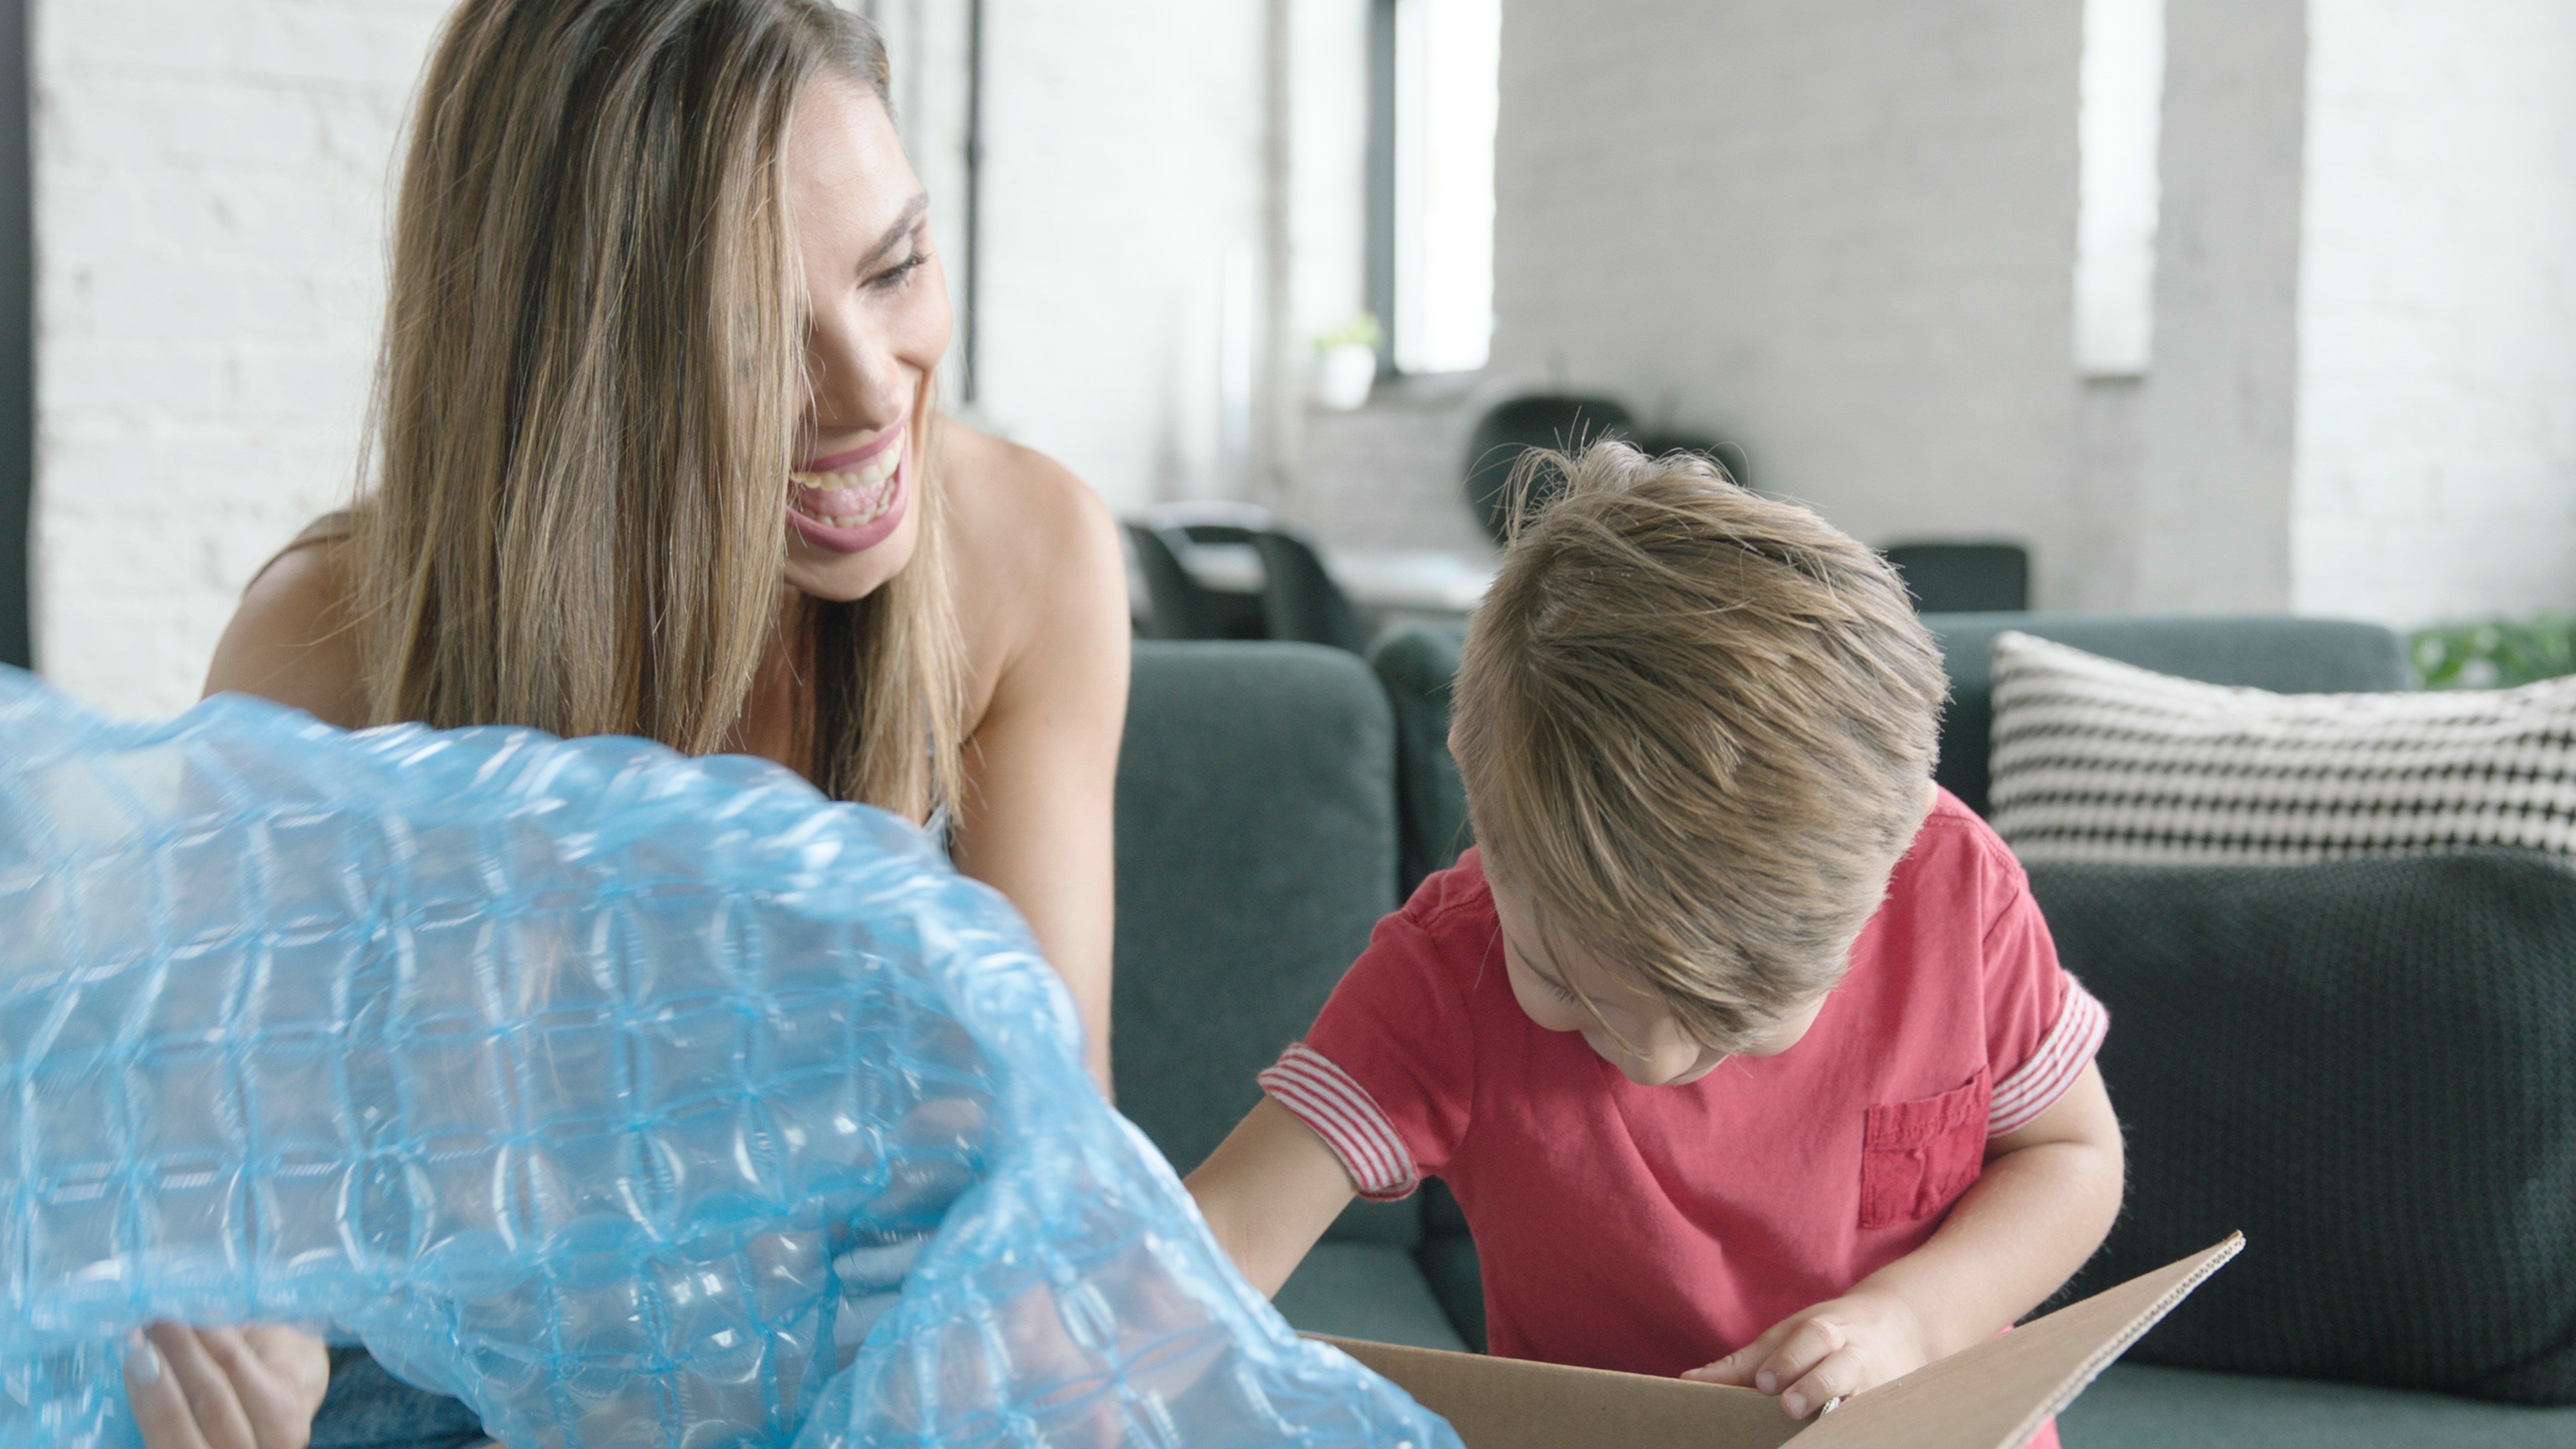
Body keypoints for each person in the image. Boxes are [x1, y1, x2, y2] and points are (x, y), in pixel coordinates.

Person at [125, 3, 1129, 1448]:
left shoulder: (1027, 558)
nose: (867, 391)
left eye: (895, 266)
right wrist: (223, 1346)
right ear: (572, 370)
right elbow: (210, 1196)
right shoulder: (330, 653)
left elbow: (1056, 1176)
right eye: (745, 338)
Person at [1185, 443, 2124, 1441]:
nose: (1653, 1056)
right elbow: (1214, 1243)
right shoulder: (1448, 974)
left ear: (1883, 876)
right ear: (1474, 791)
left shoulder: (1954, 886)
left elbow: (2070, 1155)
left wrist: (1911, 1321)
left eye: (1744, 1020)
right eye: (1565, 983)